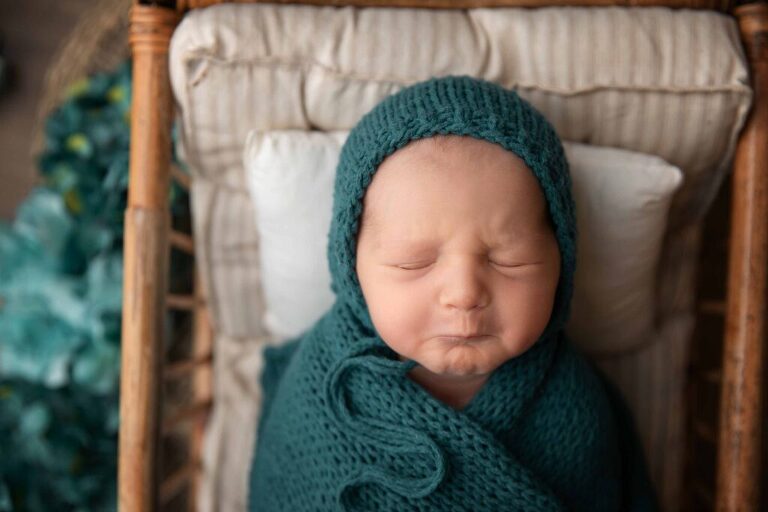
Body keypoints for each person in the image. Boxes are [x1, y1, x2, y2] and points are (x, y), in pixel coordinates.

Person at [247, 75, 659, 511]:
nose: (464, 294)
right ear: (353, 271)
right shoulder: (327, 391)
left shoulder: (575, 415)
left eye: (510, 260)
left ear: (562, 264)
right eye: (414, 263)